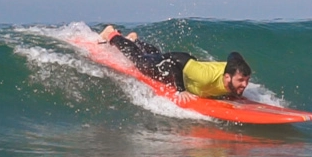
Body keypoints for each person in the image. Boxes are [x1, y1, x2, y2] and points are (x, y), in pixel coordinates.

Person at [99, 25, 251, 102]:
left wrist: (240, 65)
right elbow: (175, 60)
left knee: (154, 56)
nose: (245, 85)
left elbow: (234, 55)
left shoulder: (232, 73)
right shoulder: (204, 77)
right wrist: (180, 90)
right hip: (174, 65)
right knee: (141, 62)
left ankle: (134, 41)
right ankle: (112, 34)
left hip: (189, 67)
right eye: (241, 80)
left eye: (246, 80)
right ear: (227, 77)